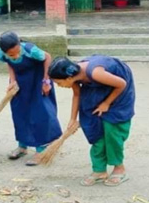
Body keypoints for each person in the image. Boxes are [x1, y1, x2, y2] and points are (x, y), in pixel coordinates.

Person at [48, 56, 135, 187]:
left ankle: (119, 169)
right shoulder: (74, 76)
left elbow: (121, 84)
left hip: (119, 91)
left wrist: (106, 103)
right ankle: (99, 170)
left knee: (112, 132)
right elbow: (77, 95)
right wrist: (73, 119)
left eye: (58, 83)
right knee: (94, 130)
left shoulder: (95, 72)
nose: (59, 86)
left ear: (69, 78)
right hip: (95, 90)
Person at [0, 31, 61, 166]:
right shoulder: (1, 54)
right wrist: (12, 81)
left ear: (19, 44)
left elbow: (47, 57)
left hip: (37, 82)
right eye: (11, 54)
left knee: (39, 114)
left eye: (16, 52)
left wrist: (46, 81)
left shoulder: (31, 50)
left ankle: (41, 149)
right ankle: (22, 146)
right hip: (20, 85)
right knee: (19, 113)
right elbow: (10, 64)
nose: (15, 56)